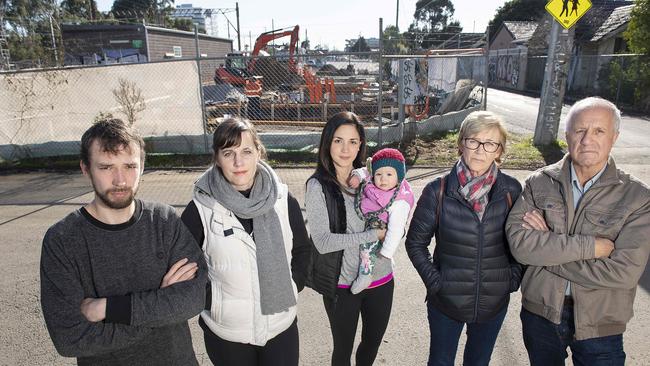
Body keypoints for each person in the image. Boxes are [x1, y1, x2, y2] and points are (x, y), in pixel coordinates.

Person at [40, 118, 207, 365]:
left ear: (142, 167)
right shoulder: (63, 241)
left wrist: (107, 309)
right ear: (85, 168)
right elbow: (70, 338)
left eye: (130, 166)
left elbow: (193, 299)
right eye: (106, 167)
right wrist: (160, 309)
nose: (120, 180)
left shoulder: (164, 221)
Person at [506, 97, 650, 366]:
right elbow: (520, 246)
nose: (587, 140)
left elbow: (623, 272)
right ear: (567, 134)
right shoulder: (539, 182)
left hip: (601, 325)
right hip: (541, 317)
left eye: (599, 131)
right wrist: (591, 247)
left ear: (614, 137)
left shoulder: (638, 197)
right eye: (580, 130)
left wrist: (546, 255)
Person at [181, 117, 310, 366]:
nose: (238, 162)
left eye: (246, 151)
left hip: (280, 327)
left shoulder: (282, 199)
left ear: (258, 152)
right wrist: (214, 301)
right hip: (228, 334)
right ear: (217, 158)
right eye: (228, 153)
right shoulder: (201, 209)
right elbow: (183, 270)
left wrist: (292, 285)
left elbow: (302, 250)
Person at [405, 111, 522, 366]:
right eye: (473, 141)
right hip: (446, 302)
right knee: (440, 362)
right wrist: (437, 282)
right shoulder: (438, 190)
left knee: (478, 362)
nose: (480, 149)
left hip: (493, 302)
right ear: (461, 144)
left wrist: (511, 280)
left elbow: (521, 243)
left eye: (490, 143)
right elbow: (415, 243)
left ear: (499, 151)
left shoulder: (511, 190)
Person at [305, 111, 391, 366]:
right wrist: (370, 235)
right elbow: (321, 241)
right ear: (327, 142)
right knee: (342, 351)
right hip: (343, 284)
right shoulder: (318, 185)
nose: (345, 149)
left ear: (361, 146)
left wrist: (396, 228)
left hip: (382, 279)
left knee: (372, 344)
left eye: (353, 142)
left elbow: (394, 210)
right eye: (338, 140)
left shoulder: (371, 178)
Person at [348, 148, 415, 294]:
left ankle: (365, 274)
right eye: (379, 174)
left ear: (399, 176)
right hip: (369, 216)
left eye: (389, 174)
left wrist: (386, 253)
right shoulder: (372, 180)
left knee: (367, 244)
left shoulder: (399, 201)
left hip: (381, 225)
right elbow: (367, 170)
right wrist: (357, 176)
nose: (383, 179)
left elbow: (396, 230)